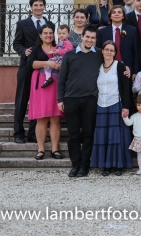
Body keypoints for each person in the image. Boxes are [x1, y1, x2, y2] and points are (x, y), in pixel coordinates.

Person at [58, 26, 103, 177]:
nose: (90, 40)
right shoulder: (69, 55)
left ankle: (84, 165)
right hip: (71, 99)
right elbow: (62, 79)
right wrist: (60, 99)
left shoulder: (99, 54)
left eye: (93, 38)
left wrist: (126, 69)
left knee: (88, 134)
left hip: (90, 99)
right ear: (82, 36)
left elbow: (113, 63)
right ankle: (75, 165)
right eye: (87, 37)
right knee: (73, 135)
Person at [13, 0, 56, 144]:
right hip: (27, 67)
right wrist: (24, 51)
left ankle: (33, 134)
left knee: (38, 101)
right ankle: (18, 132)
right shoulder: (22, 24)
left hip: (44, 70)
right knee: (22, 99)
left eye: (41, 5)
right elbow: (16, 43)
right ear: (31, 7)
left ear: (44, 7)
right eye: (36, 5)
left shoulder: (50, 24)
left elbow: (52, 43)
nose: (38, 8)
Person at [91, 40, 134, 176]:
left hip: (116, 103)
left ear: (115, 53)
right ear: (102, 51)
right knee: (103, 136)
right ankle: (106, 166)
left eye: (112, 50)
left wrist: (126, 107)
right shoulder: (97, 66)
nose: (109, 52)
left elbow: (126, 88)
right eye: (106, 49)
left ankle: (119, 165)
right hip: (101, 105)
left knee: (116, 137)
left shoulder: (120, 66)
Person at [28, 25, 64, 160]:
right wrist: (49, 64)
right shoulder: (35, 49)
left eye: (50, 33)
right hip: (40, 86)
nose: (48, 35)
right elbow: (31, 64)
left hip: (56, 85)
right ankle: (41, 149)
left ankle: (55, 149)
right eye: (45, 33)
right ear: (40, 35)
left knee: (55, 118)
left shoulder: (59, 48)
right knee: (41, 118)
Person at [96, 5, 140, 75]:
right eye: (114, 12)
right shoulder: (102, 32)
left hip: (127, 69)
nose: (116, 14)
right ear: (110, 16)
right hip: (107, 67)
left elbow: (136, 53)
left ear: (123, 16)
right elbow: (99, 51)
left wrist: (135, 72)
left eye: (119, 12)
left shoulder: (132, 31)